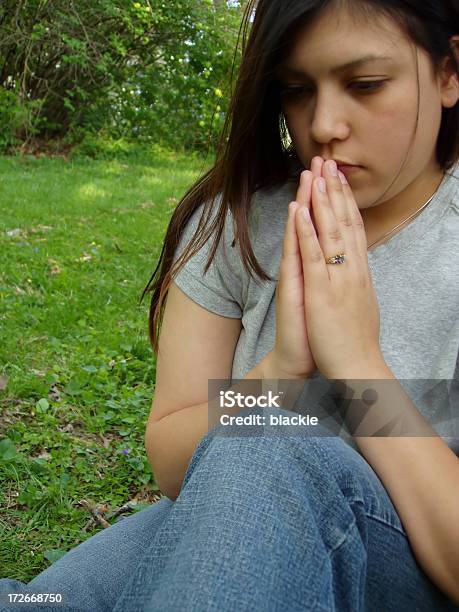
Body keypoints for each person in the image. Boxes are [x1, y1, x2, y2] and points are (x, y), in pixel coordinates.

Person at [1, 0, 459, 610]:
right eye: (296, 90)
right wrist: (278, 375)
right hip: (228, 525)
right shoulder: (235, 223)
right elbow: (170, 459)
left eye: (366, 84)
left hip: (401, 566)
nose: (324, 124)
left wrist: (357, 365)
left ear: (449, 73)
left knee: (268, 446)